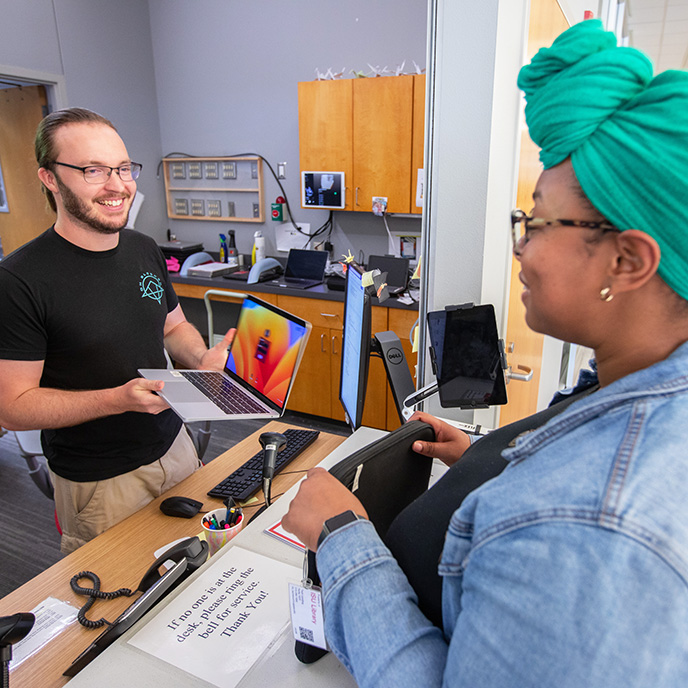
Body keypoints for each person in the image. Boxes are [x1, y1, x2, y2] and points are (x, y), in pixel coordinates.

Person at [282, 19, 688, 686]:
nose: (521, 248)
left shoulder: (596, 529)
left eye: (539, 222)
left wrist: (341, 535)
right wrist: (489, 466)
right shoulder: (632, 386)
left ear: (628, 259)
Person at [0, 108, 233, 553]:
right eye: (94, 170)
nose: (118, 185)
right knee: (122, 609)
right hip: (100, 483)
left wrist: (198, 358)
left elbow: (174, 325)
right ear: (50, 178)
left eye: (124, 168)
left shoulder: (144, 249)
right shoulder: (19, 281)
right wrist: (117, 400)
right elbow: (12, 408)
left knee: (202, 571)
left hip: (176, 447)